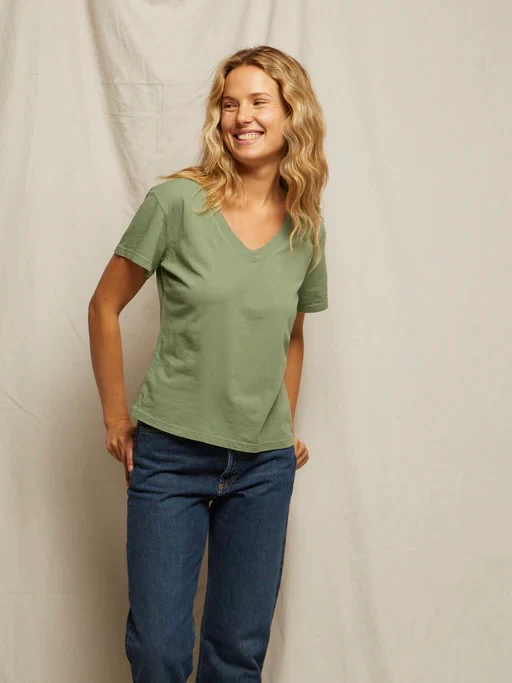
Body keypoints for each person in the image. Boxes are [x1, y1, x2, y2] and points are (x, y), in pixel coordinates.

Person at [88, 44, 329, 683]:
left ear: (292, 115)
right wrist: (116, 417)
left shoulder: (305, 226)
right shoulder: (176, 203)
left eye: (259, 102)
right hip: (170, 456)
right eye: (229, 104)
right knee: (159, 652)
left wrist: (283, 423)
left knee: (236, 655)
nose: (241, 117)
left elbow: (292, 334)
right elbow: (104, 306)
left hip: (264, 469)